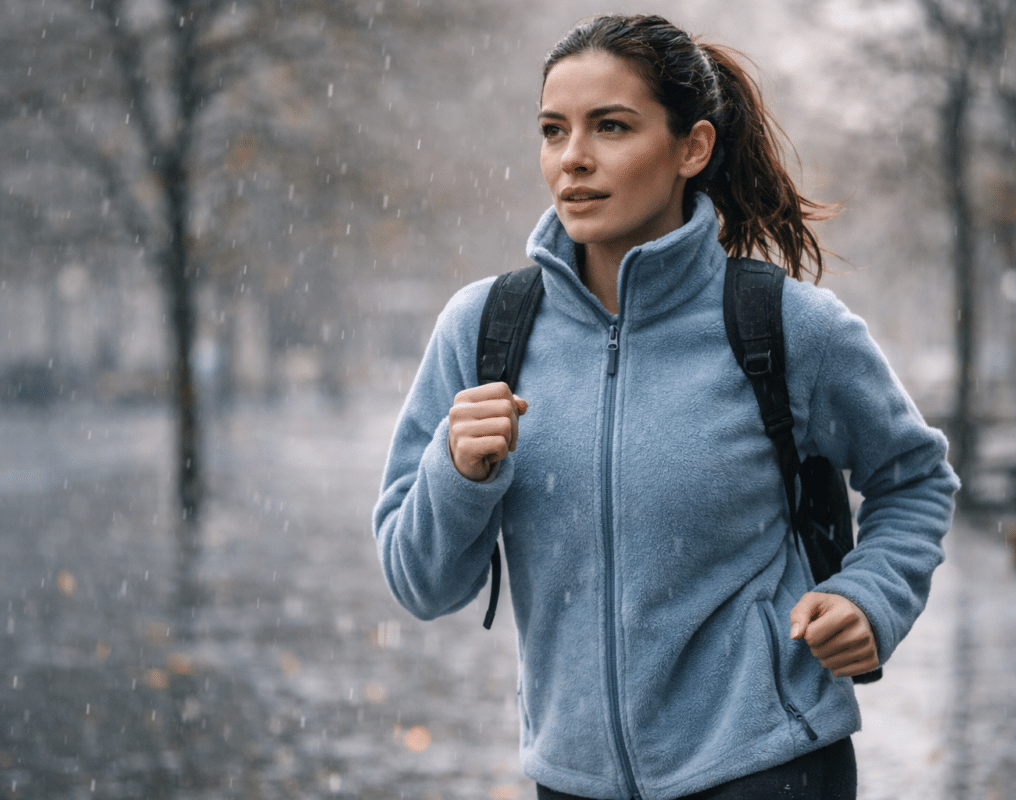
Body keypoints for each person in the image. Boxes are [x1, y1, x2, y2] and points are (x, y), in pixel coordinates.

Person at [373, 14, 959, 800]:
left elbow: (915, 476)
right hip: (572, 781)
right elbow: (421, 584)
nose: (572, 158)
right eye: (553, 130)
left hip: (766, 764)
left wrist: (872, 595)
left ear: (693, 148)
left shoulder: (784, 326)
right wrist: (455, 471)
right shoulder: (483, 332)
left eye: (610, 127)